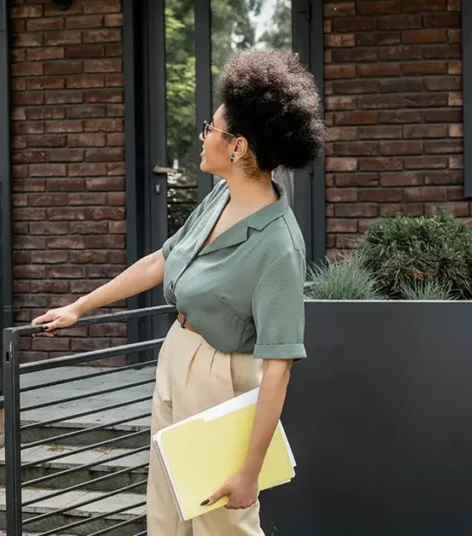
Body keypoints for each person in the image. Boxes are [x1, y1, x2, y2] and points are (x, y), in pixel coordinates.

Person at [33, 50, 325, 536]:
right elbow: (163, 260)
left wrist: (251, 472)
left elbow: (278, 368)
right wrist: (80, 306)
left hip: (222, 374)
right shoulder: (219, 197)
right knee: (167, 510)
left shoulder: (279, 246)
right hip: (178, 350)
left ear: (238, 148)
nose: (203, 138)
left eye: (210, 129)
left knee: (221, 522)